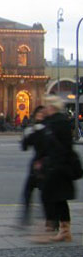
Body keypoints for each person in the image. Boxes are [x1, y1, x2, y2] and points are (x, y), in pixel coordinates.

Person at [35, 95, 76, 243]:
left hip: (58, 166)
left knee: (53, 197)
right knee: (58, 198)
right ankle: (62, 230)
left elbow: (63, 146)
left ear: (52, 107)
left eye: (47, 105)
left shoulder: (59, 122)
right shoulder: (54, 121)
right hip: (55, 165)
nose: (45, 108)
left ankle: (54, 228)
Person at [19, 105, 46, 227]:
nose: (40, 115)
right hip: (36, 165)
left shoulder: (48, 128)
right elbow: (25, 147)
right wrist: (25, 135)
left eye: (42, 113)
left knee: (46, 194)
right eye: (38, 113)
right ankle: (25, 217)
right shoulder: (34, 129)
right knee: (27, 192)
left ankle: (50, 220)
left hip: (47, 165)